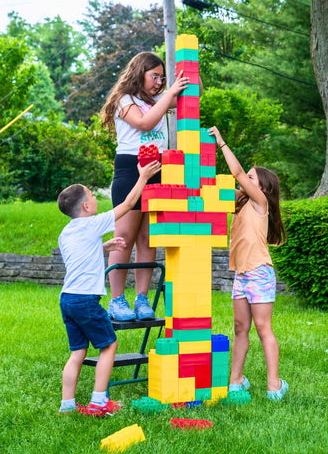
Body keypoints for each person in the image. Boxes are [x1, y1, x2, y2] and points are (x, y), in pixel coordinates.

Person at [56, 160, 161, 416]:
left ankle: (67, 405)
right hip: (85, 301)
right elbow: (126, 206)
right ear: (85, 206)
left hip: (67, 299)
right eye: (92, 196)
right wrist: (143, 177)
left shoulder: (66, 233)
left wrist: (103, 248)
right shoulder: (93, 224)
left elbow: (78, 256)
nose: (95, 199)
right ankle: (99, 402)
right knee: (109, 345)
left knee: (78, 351)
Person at [100, 51, 189, 321]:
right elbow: (144, 122)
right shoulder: (124, 100)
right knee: (124, 237)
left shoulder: (155, 100)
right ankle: (116, 300)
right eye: (154, 76)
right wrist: (169, 94)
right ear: (139, 72)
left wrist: (182, 81)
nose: (159, 82)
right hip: (131, 168)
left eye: (162, 78)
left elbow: (188, 99)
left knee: (148, 238)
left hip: (159, 168)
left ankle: (141, 299)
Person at [208, 126, 289, 401]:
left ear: (262, 187)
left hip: (260, 273)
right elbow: (215, 190)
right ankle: (235, 381)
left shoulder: (260, 202)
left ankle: (274, 385)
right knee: (241, 328)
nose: (244, 182)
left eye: (252, 178)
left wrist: (221, 144)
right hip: (242, 275)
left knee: (263, 329)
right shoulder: (242, 203)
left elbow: (238, 174)